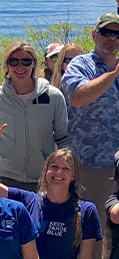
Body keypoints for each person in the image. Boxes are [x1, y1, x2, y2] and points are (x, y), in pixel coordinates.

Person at [62, 12, 119, 259]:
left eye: (117, 34)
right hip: (94, 168)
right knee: (93, 236)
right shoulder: (81, 65)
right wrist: (113, 73)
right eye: (106, 32)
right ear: (94, 34)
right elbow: (77, 97)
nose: (111, 38)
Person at [0, 42, 68, 191]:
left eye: (26, 61)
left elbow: (63, 139)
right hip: (4, 178)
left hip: (43, 179)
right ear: (6, 65)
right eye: (14, 61)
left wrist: (64, 174)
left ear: (34, 64)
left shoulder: (53, 96)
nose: (20, 67)